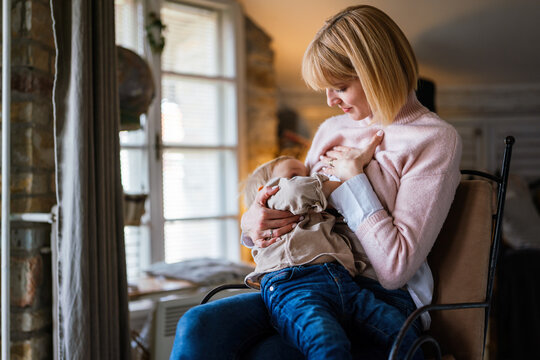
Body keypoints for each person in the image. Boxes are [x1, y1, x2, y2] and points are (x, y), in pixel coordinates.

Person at [170, 5, 461, 360]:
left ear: (377, 72)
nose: (329, 100)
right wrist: (253, 222)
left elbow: (394, 269)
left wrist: (354, 178)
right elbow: (299, 205)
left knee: (270, 354)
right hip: (305, 280)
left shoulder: (432, 139)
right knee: (197, 325)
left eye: (340, 86)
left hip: (380, 299)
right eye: (325, 88)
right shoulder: (331, 129)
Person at [240, 155, 422, 359]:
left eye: (307, 173)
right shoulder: (275, 198)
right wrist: (342, 183)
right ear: (262, 193)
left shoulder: (320, 216)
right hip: (293, 284)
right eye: (294, 175)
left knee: (402, 332)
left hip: (342, 282)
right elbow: (294, 191)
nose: (309, 177)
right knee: (328, 344)